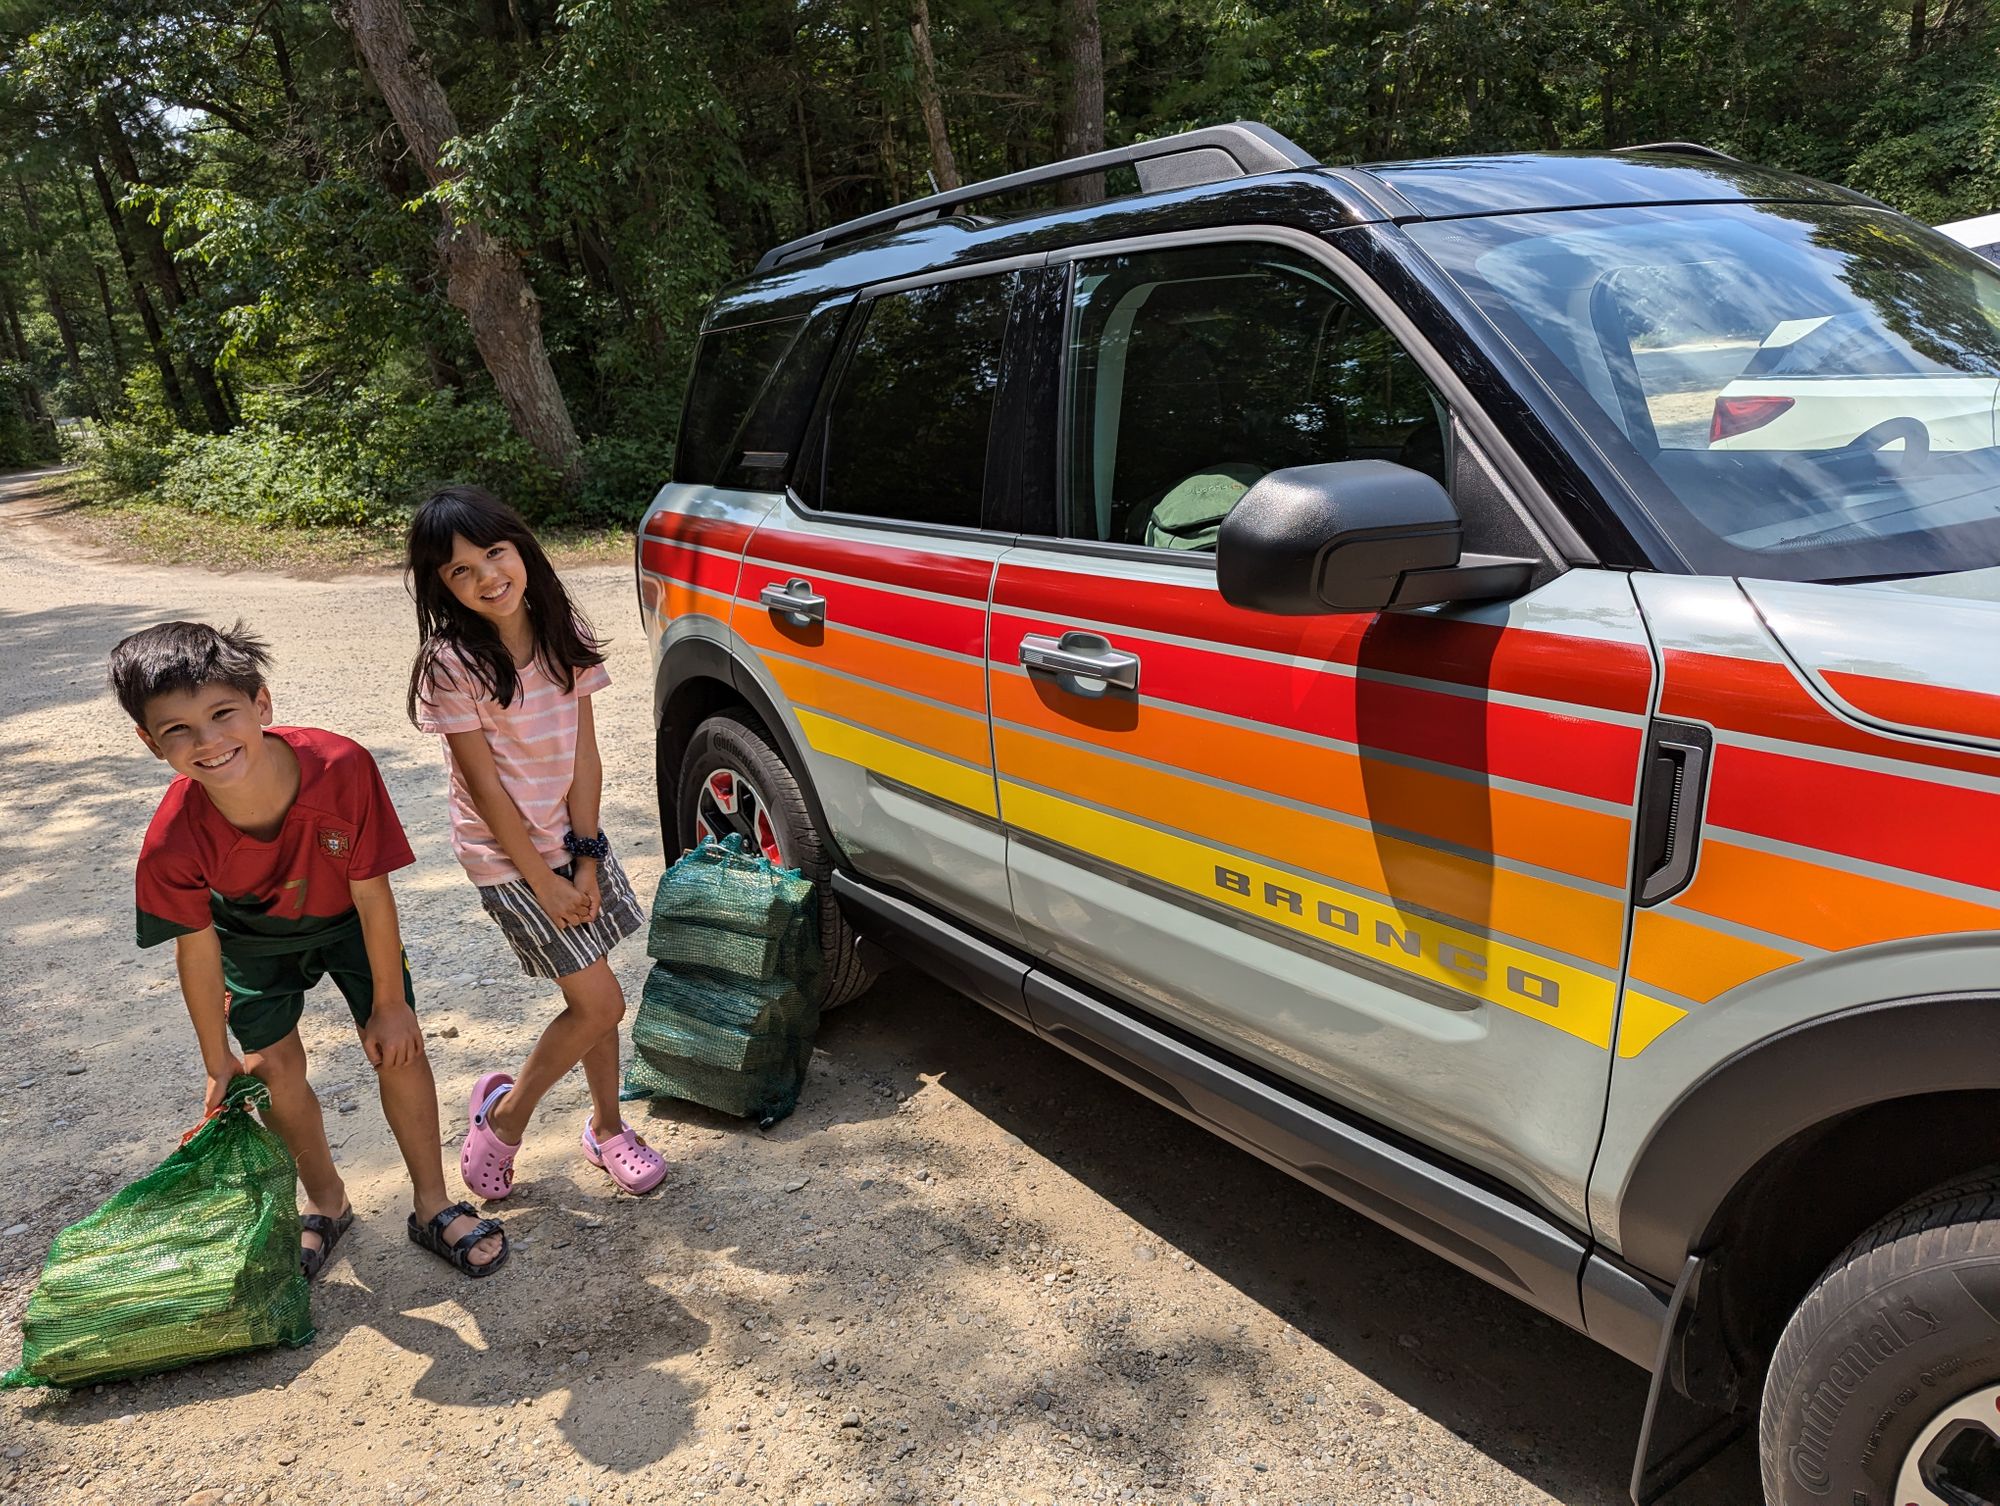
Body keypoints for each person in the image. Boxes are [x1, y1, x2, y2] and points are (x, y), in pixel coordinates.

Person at [112, 620, 508, 1279]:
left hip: (349, 918)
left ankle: (432, 1203)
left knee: (399, 1046)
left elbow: (373, 895)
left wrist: (390, 1005)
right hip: (251, 938)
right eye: (178, 729)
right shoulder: (172, 841)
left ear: (261, 704)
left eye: (222, 714)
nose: (207, 741)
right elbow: (198, 951)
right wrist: (216, 1059)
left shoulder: (341, 767)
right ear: (150, 743)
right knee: (270, 1071)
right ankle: (326, 1202)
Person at [405, 486, 665, 1199]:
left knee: (596, 992)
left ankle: (607, 1128)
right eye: (461, 571)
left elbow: (585, 756)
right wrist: (544, 880)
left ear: (521, 548)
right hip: (507, 860)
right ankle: (504, 1118)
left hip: (573, 843)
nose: (487, 576)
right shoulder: (451, 663)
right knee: (601, 1003)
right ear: (442, 586)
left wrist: (584, 858)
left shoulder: (560, 628)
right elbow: (485, 790)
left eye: (495, 553)